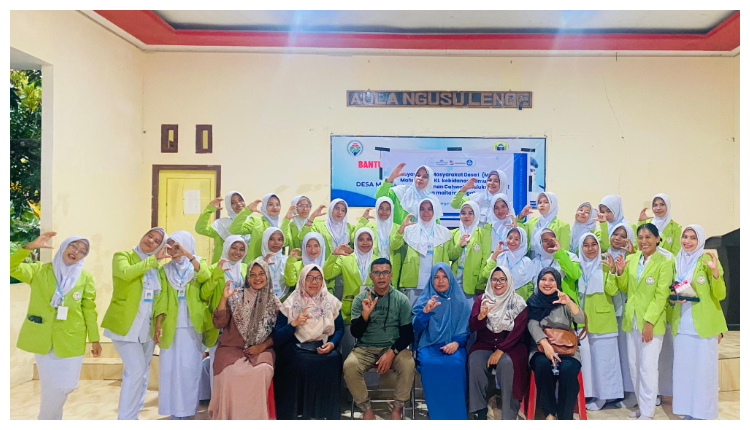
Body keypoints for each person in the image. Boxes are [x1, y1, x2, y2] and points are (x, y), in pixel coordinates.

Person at [11, 232, 101, 420]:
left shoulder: (85, 278)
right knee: (51, 387)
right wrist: (29, 247)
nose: (76, 252)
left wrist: (95, 338)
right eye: (73, 246)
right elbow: (10, 267)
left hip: (72, 339)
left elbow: (89, 310)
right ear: (64, 246)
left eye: (82, 251)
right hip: (42, 338)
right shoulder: (39, 271)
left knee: (66, 386)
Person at [102, 227, 169, 419]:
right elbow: (126, 273)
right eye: (150, 236)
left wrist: (158, 324)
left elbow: (159, 297)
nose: (151, 241)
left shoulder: (156, 269)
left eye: (157, 241)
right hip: (125, 326)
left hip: (146, 328)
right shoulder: (123, 256)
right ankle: (126, 418)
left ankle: (134, 413)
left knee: (142, 372)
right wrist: (153, 260)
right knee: (135, 370)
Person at [613, 223, 673, 420]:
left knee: (647, 368)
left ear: (657, 239)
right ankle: (643, 405)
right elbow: (625, 288)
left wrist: (649, 322)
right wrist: (620, 272)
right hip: (631, 320)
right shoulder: (632, 259)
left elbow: (661, 296)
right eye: (640, 237)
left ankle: (648, 413)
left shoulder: (664, 262)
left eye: (648, 237)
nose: (643, 241)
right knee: (634, 367)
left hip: (651, 324)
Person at [208, 259, 281, 420]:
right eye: (252, 275)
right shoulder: (236, 297)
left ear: (267, 276)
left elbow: (279, 332)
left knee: (263, 370)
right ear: (247, 277)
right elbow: (218, 323)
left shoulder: (274, 302)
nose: (257, 278)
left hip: (262, 349)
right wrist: (223, 299)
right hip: (231, 348)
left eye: (261, 273)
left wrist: (262, 346)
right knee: (230, 373)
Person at [343, 258, 415, 420]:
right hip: (365, 348)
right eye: (377, 272)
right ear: (371, 275)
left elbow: (408, 334)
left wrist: (391, 352)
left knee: (408, 363)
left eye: (385, 272)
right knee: (350, 365)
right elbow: (355, 333)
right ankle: (367, 410)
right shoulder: (361, 299)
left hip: (393, 348)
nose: (381, 277)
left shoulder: (401, 300)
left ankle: (397, 408)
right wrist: (365, 315)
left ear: (391, 275)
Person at [670, 225, 727, 420]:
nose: (687, 241)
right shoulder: (676, 261)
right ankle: (689, 411)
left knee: (703, 372)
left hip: (703, 326)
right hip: (681, 325)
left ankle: (704, 413)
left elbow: (720, 294)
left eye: (693, 238)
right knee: (685, 372)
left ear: (700, 240)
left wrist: (715, 273)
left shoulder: (707, 261)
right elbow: (672, 289)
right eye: (685, 237)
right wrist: (674, 298)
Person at [273, 264, 345, 419]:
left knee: (335, 358)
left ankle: (324, 413)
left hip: (322, 346)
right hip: (296, 347)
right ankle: (301, 413)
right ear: (302, 280)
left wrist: (332, 344)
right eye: (309, 278)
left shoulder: (330, 302)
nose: (314, 282)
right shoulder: (290, 303)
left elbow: (339, 329)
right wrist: (294, 323)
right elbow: (277, 336)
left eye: (318, 278)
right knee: (302, 361)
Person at [153, 231, 212, 419]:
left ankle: (187, 411)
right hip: (171, 326)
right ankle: (173, 411)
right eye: (170, 247)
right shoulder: (164, 270)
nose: (173, 251)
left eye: (177, 246)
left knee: (189, 369)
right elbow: (161, 298)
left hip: (192, 326)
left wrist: (188, 254)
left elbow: (206, 277)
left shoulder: (198, 263)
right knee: (169, 370)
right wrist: (158, 323)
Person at [412, 263, 472, 420]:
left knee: (456, 364)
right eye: (436, 277)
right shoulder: (425, 300)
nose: (440, 281)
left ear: (450, 279)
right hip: (428, 345)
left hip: (454, 345)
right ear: (431, 280)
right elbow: (416, 328)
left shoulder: (460, 301)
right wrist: (425, 312)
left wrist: (457, 343)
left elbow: (466, 328)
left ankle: (456, 417)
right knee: (429, 364)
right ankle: (436, 415)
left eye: (444, 276)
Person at [468, 266, 529, 420]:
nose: (498, 283)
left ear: (509, 281)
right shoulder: (482, 300)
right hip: (485, 343)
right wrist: (481, 317)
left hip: (511, 345)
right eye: (494, 279)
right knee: (475, 361)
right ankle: (480, 410)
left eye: (502, 279)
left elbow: (518, 332)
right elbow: (473, 326)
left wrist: (500, 350)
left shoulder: (518, 303)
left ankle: (508, 413)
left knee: (507, 364)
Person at [527, 267, 586, 420]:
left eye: (551, 280)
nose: (547, 283)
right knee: (542, 365)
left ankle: (565, 416)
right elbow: (532, 325)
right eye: (543, 279)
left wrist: (569, 303)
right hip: (540, 347)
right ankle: (549, 414)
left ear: (557, 283)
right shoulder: (533, 302)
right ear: (538, 281)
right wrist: (546, 346)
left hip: (567, 349)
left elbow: (581, 320)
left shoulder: (564, 299)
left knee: (568, 369)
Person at [576, 233, 623, 410]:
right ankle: (596, 394)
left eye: (594, 244)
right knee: (593, 363)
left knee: (606, 363)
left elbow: (612, 290)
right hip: (585, 323)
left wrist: (612, 271)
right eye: (586, 245)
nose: (590, 248)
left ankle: (606, 397)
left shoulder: (604, 266)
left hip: (604, 323)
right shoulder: (578, 267)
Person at [200, 235, 247, 392]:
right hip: (219, 324)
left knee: (235, 364)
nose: (237, 252)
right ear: (226, 247)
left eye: (241, 249)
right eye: (234, 247)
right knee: (216, 364)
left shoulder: (245, 268)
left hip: (238, 326)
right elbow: (204, 294)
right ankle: (216, 401)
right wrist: (217, 274)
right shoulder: (214, 268)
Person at [391, 197, 458, 304]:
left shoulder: (444, 232)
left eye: (429, 209)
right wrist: (402, 227)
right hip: (412, 282)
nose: (425, 212)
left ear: (434, 211)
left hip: (437, 283)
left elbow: (451, 255)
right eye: (422, 209)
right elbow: (394, 246)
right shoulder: (409, 230)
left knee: (434, 311)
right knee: (412, 312)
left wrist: (460, 246)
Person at [607, 223, 638, 407]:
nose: (617, 238)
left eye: (623, 235)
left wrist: (631, 256)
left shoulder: (635, 259)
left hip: (628, 312)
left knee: (630, 356)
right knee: (618, 354)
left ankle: (633, 392)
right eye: (615, 234)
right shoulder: (604, 255)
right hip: (611, 312)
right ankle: (619, 391)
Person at [229, 193, 291, 260]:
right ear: (264, 206)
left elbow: (284, 243)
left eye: (277, 204)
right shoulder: (256, 221)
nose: (275, 207)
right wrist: (247, 210)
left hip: (276, 264)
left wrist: (286, 221)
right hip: (255, 263)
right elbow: (234, 229)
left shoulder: (282, 225)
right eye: (270, 204)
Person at [357, 196, 403, 286]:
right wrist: (363, 220)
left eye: (387, 209)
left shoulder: (399, 229)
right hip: (373, 270)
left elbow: (397, 246)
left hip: (392, 271)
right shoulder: (370, 227)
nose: (384, 211)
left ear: (392, 210)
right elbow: (355, 238)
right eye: (381, 208)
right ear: (377, 209)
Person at [451, 201, 492, 301]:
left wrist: (481, 283)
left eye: (470, 213)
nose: (466, 216)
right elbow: (451, 256)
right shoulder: (454, 233)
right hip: (455, 279)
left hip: (473, 282)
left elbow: (485, 260)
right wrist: (459, 246)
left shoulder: (483, 234)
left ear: (476, 214)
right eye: (463, 213)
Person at [481, 227, 536, 300]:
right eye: (510, 238)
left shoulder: (527, 262)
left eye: (516, 239)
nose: (512, 241)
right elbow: (486, 275)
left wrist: (526, 303)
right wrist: (495, 255)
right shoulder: (499, 257)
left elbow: (530, 287)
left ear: (522, 241)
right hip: (498, 300)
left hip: (520, 302)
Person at [195, 191, 250, 263]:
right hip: (222, 266)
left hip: (247, 267)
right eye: (233, 203)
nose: (238, 204)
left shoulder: (253, 222)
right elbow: (200, 229)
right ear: (228, 206)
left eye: (240, 200)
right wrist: (209, 210)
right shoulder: (221, 225)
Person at [532, 228, 581, 303]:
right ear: (538, 242)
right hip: (542, 305)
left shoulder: (570, 257)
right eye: (545, 240)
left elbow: (575, 275)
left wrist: (560, 253)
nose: (550, 242)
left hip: (566, 304)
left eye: (553, 239)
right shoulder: (534, 262)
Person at [517, 192, 570, 258]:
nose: (542, 205)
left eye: (546, 202)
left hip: (551, 260)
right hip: (532, 259)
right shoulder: (533, 221)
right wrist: (521, 216)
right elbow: (519, 232)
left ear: (553, 204)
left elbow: (564, 250)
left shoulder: (562, 226)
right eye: (539, 202)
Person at [261, 227, 289, 299]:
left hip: (285, 300)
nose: (276, 243)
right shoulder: (258, 261)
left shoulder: (287, 261)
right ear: (265, 240)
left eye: (279, 239)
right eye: (272, 239)